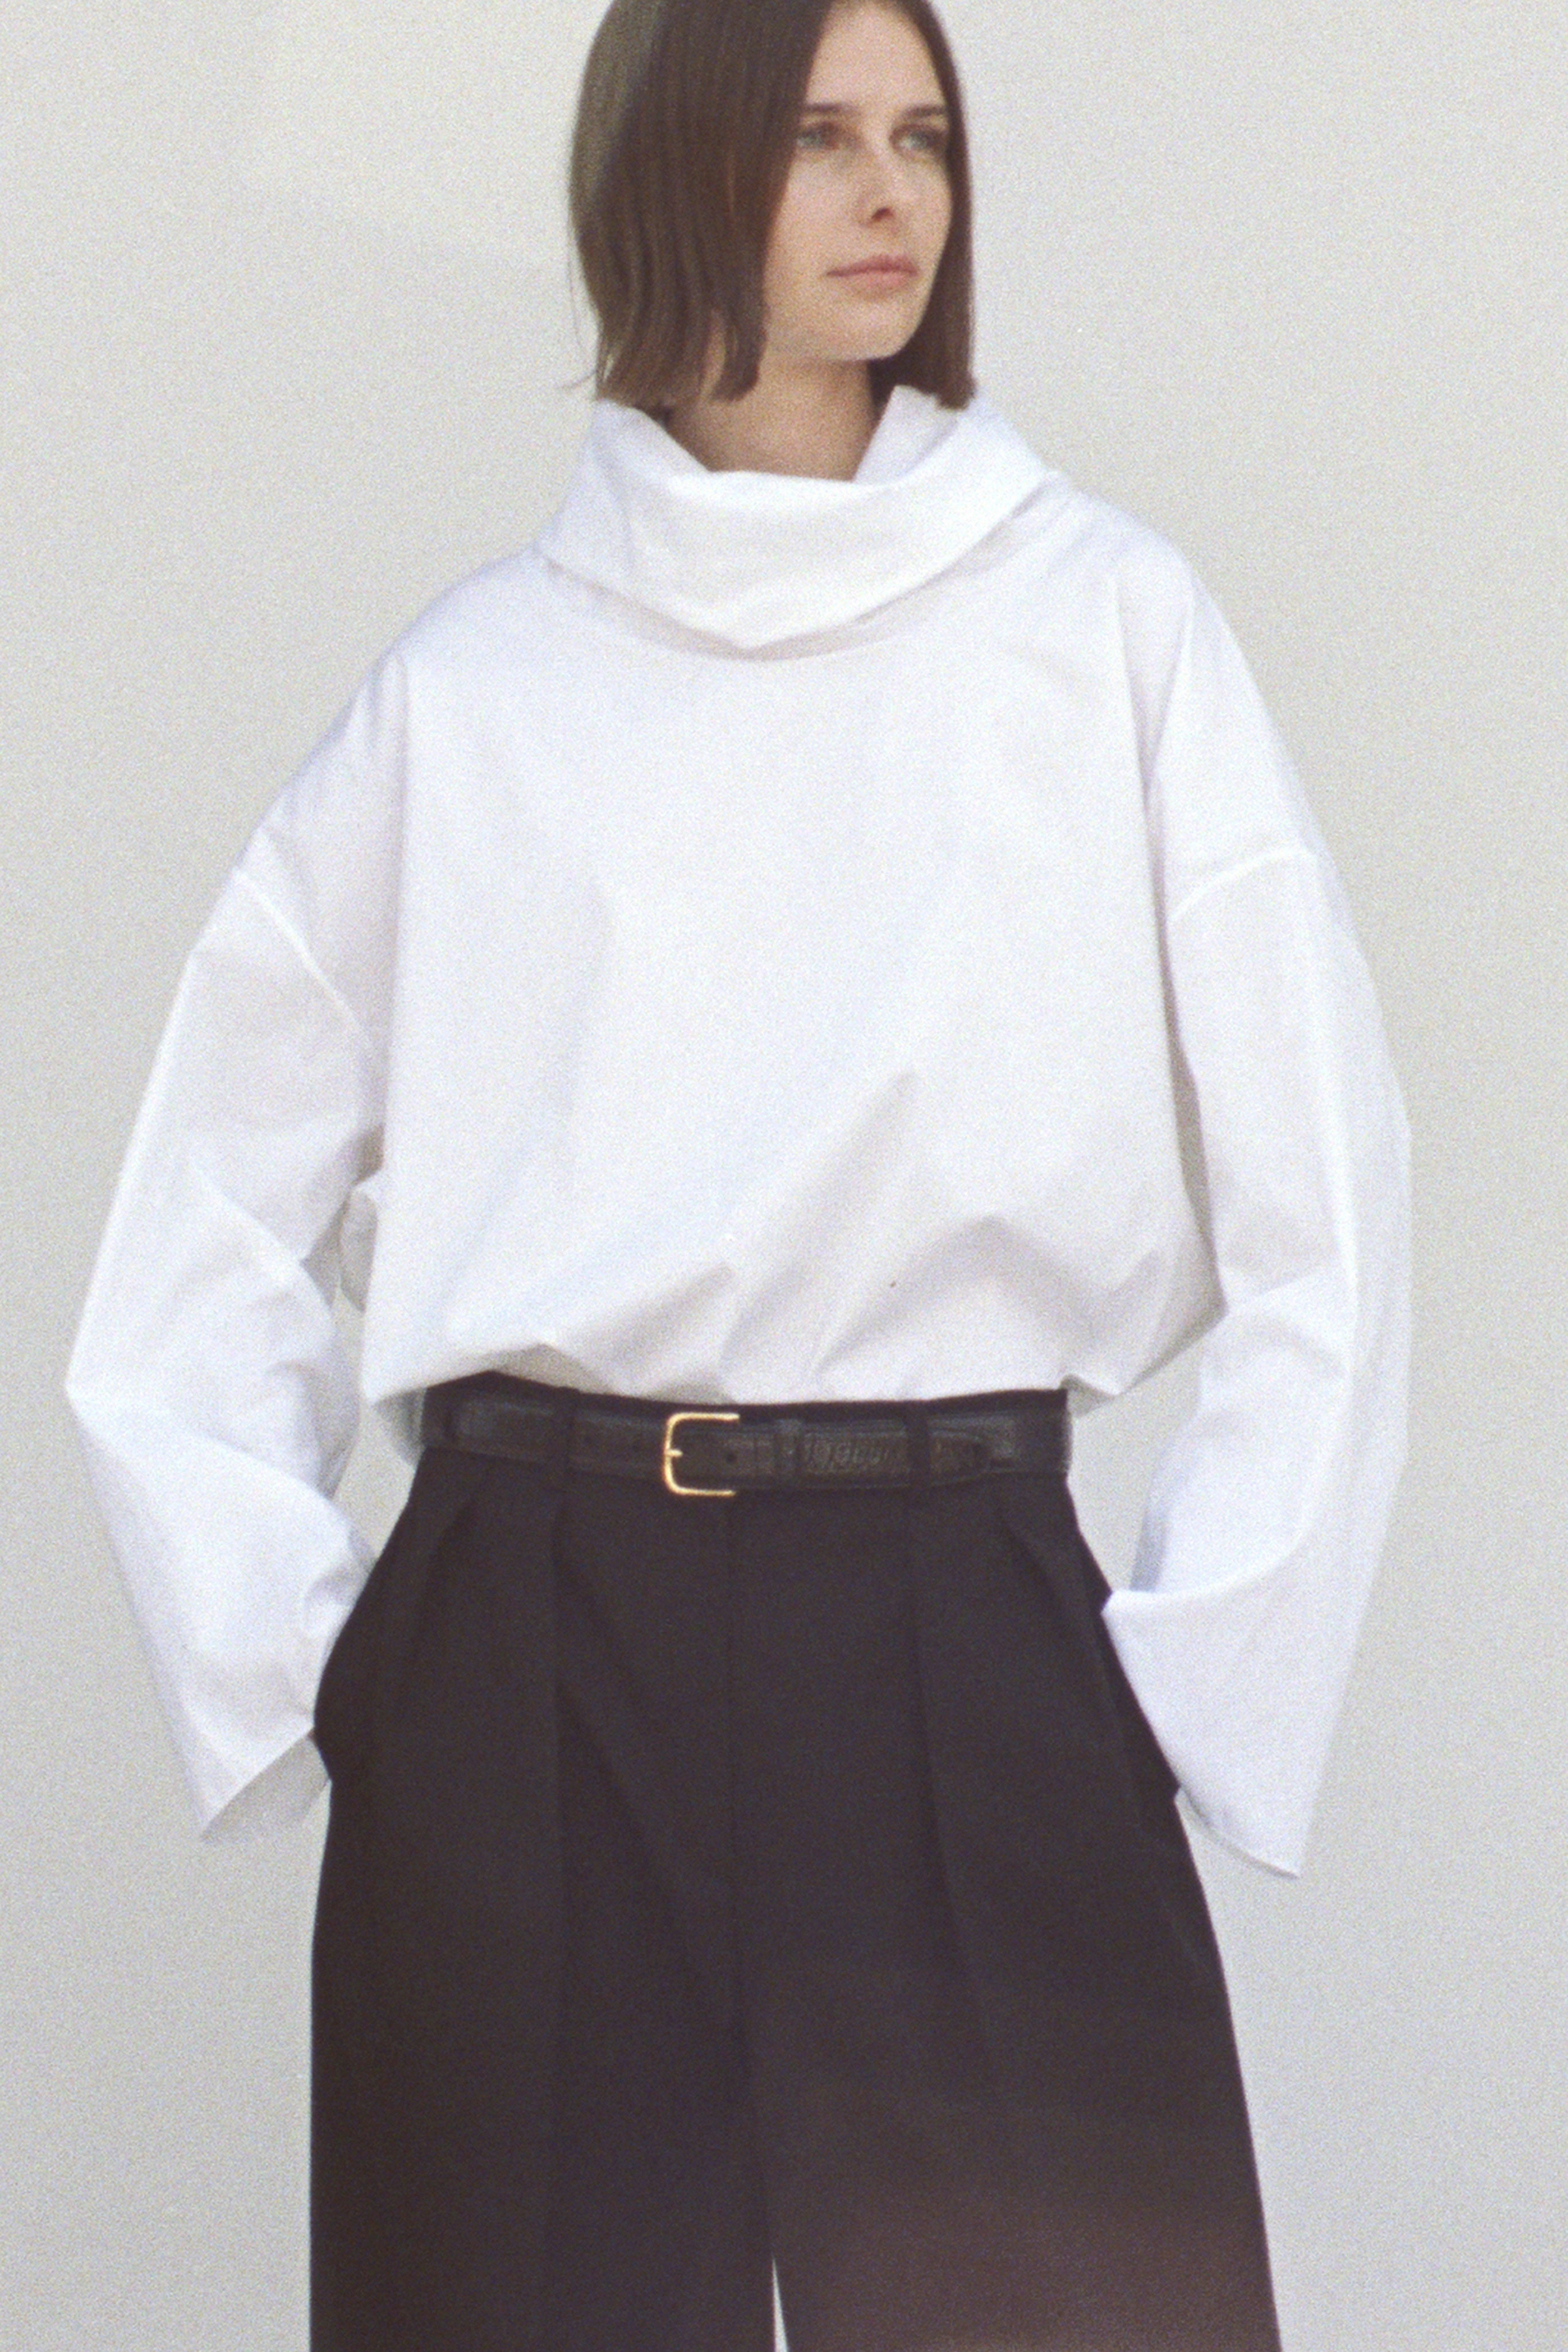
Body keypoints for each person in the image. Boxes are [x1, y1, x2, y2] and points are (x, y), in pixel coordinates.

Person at [65, 0, 1410, 2345]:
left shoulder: (1098, 626)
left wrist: (1187, 1676)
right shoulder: (476, 690)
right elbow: (202, 1213)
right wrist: (330, 1674)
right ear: (670, 170)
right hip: (532, 1642)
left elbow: (1330, 1186)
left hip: (956, 1612)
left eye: (922, 137)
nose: (893, 195)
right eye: (814, 139)